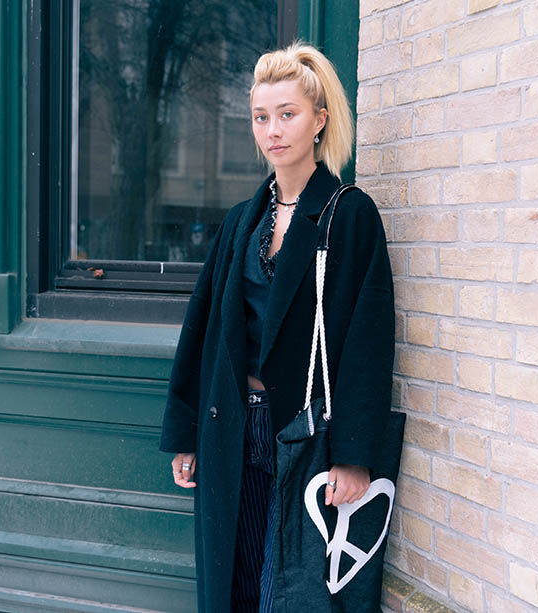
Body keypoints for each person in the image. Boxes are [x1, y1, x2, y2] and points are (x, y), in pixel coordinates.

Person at [160, 41, 394, 612]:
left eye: (287, 114)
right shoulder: (243, 220)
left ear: (319, 120)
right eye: (261, 117)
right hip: (232, 424)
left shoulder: (348, 213)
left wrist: (354, 454)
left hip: (304, 432)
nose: (273, 130)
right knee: (235, 582)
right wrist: (185, 433)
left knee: (288, 588)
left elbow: (366, 340)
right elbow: (204, 332)